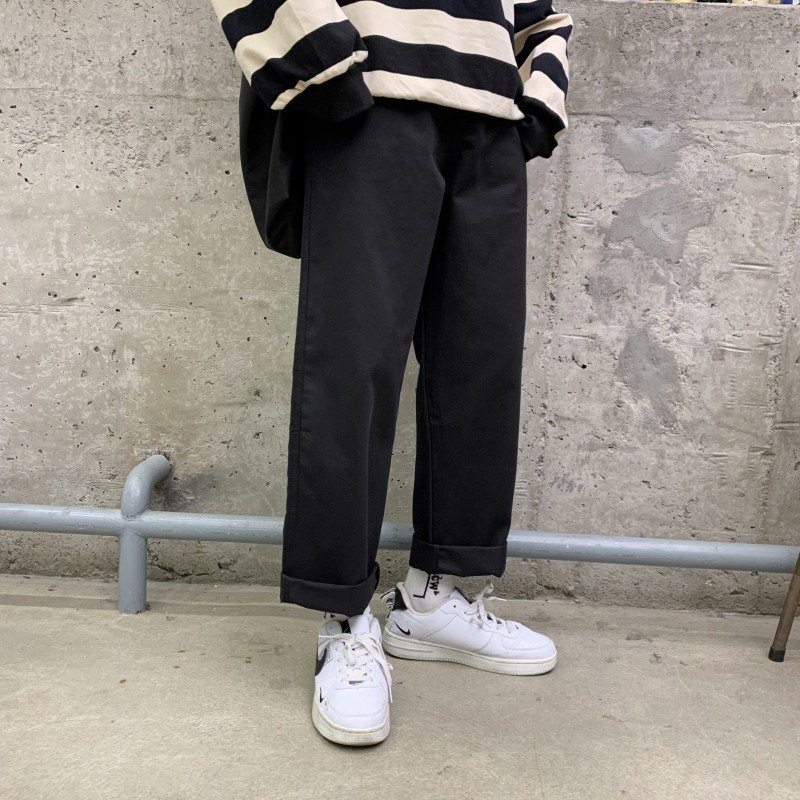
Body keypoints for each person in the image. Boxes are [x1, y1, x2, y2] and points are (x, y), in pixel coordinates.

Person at [211, 0, 573, 746]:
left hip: (490, 118)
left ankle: (435, 598)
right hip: (371, 101)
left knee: (482, 364)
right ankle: (344, 618)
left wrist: (535, 98)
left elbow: (544, 14)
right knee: (353, 367)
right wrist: (324, 69)